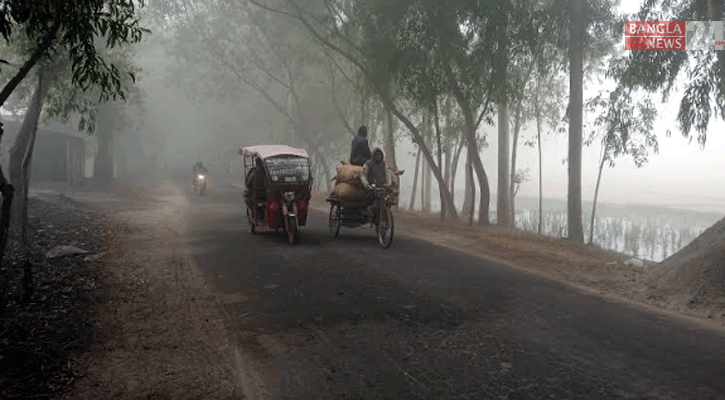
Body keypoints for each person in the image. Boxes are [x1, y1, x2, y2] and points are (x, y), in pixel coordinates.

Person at [360, 147, 389, 217]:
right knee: (371, 199)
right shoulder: (368, 164)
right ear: (373, 156)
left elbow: (387, 174)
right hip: (371, 187)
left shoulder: (384, 164)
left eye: (379, 155)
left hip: (381, 187)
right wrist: (366, 184)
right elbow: (363, 175)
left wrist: (388, 184)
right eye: (376, 155)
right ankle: (369, 210)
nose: (378, 157)